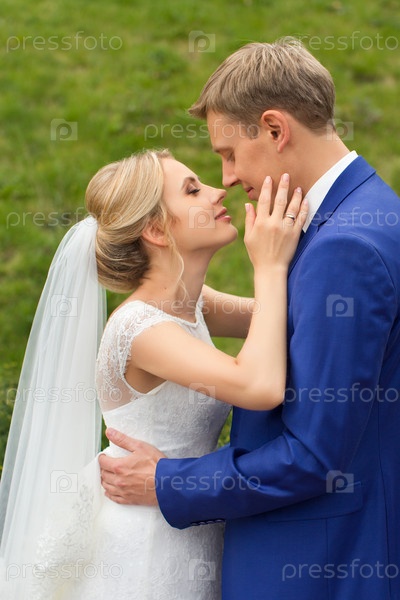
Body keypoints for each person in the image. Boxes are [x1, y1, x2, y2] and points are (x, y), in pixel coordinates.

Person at [99, 39, 400, 599]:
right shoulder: (367, 213)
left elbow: (312, 454)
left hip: (318, 563)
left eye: (230, 153)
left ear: (274, 129)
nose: (228, 178)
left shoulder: (345, 248)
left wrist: (169, 482)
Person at [0, 148, 306, 599]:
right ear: (157, 230)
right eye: (193, 190)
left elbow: (284, 319)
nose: (218, 191)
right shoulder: (141, 329)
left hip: (185, 511)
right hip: (146, 542)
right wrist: (269, 265)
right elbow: (258, 385)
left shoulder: (190, 303)